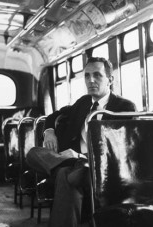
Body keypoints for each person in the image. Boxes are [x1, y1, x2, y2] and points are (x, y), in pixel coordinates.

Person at [26, 57, 136, 227]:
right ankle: (76, 164)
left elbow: (121, 151)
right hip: (76, 166)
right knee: (34, 153)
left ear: (110, 80)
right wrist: (49, 132)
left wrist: (80, 155)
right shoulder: (83, 103)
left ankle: (77, 164)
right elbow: (54, 115)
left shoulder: (124, 107)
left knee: (64, 175)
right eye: (87, 76)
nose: (91, 80)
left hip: (102, 169)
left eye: (97, 75)